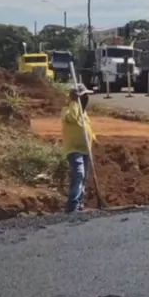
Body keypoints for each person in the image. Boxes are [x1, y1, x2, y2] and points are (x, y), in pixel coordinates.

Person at [61, 84, 97, 214]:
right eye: (83, 96)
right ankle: (72, 206)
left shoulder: (84, 113)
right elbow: (72, 118)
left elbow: (87, 128)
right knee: (79, 174)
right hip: (74, 149)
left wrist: (93, 138)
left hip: (85, 149)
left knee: (84, 177)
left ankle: (80, 203)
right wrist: (75, 102)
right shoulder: (67, 111)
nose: (86, 98)